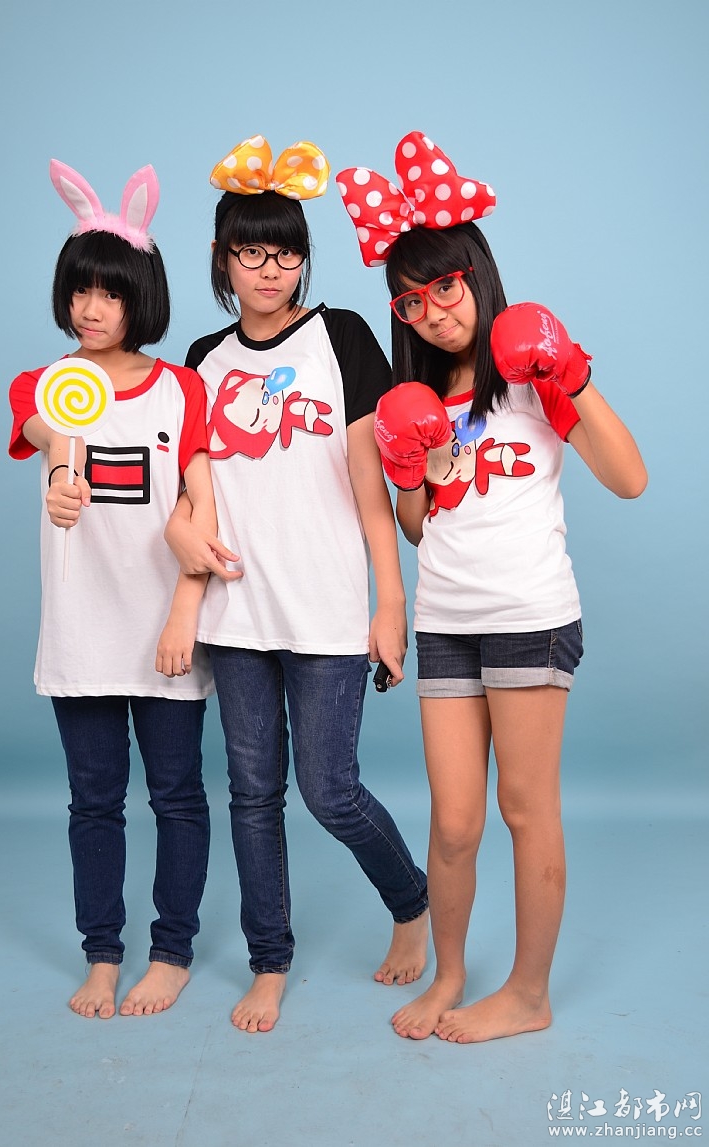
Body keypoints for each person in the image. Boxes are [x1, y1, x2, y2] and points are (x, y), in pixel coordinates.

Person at [336, 131, 647, 1043]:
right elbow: (419, 525)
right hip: (447, 621)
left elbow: (629, 479)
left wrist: (569, 372)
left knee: (524, 807)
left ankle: (528, 993)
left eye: (444, 287)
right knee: (456, 821)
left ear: (476, 273)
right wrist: (410, 465)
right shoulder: (418, 395)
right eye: (410, 300)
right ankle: (450, 974)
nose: (432, 312)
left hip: (530, 616)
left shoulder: (530, 373)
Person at [164, 135, 429, 1033]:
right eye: (251, 253)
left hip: (326, 609)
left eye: (286, 253)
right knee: (252, 794)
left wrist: (390, 604)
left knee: (330, 789)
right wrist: (185, 565)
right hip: (236, 613)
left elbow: (373, 490)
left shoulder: (341, 336)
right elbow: (190, 492)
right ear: (222, 259)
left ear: (303, 258)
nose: (270, 271)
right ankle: (269, 960)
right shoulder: (202, 358)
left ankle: (410, 900)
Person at [8, 160, 227, 1020]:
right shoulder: (45, 384)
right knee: (94, 802)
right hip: (81, 631)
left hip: (166, 630)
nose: (91, 308)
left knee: (177, 795)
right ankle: (102, 953)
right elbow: (45, 427)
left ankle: (172, 951)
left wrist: (185, 610)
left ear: (142, 297)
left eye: (109, 292)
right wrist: (63, 471)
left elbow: (201, 504)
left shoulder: (183, 389)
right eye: (79, 290)